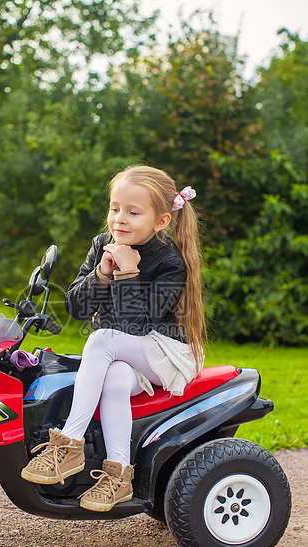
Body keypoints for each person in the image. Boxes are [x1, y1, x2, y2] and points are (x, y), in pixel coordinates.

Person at [21, 165, 205, 512]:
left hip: (169, 353)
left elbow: (136, 326)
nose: (119, 219)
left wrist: (129, 272)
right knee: (115, 378)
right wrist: (103, 273)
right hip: (128, 353)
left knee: (103, 339)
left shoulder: (170, 261)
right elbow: (76, 307)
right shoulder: (102, 245)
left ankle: (69, 443)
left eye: (133, 212)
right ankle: (120, 475)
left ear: (161, 221)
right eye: (114, 207)